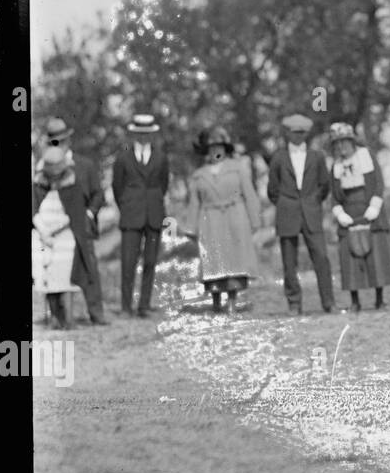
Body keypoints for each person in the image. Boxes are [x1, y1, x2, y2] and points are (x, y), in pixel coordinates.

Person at [35, 120, 109, 324]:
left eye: (61, 140)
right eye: (54, 141)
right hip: (55, 227)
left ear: (68, 140)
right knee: (55, 269)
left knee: (88, 267)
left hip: (81, 224)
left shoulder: (84, 165)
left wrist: (89, 214)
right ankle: (59, 317)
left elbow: (98, 194)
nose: (58, 144)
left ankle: (96, 314)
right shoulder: (44, 166)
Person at [181, 127, 262, 312]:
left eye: (219, 148)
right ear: (205, 151)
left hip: (235, 216)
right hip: (210, 220)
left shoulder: (238, 169)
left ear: (226, 149)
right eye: (211, 148)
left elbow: (249, 194)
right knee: (214, 260)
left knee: (235, 261)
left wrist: (255, 220)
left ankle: (232, 301)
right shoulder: (199, 175)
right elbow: (194, 203)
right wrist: (190, 227)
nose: (216, 152)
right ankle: (216, 300)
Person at [267, 113, 336, 314]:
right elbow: (272, 189)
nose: (298, 136)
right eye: (294, 132)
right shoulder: (278, 157)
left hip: (312, 213)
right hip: (287, 213)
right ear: (287, 133)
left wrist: (313, 201)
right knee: (289, 263)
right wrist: (284, 203)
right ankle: (294, 303)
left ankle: (328, 302)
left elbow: (324, 185)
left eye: (302, 133)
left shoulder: (317, 156)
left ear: (307, 134)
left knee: (321, 257)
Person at [328, 123, 390, 312]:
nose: (341, 147)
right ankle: (355, 301)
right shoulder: (335, 166)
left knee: (375, 256)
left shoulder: (366, 156)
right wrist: (340, 213)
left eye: (344, 142)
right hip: (349, 213)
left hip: (369, 211)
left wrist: (374, 206)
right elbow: (334, 195)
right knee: (349, 259)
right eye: (337, 144)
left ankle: (379, 298)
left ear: (352, 141)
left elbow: (378, 183)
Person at [111, 112, 171, 318]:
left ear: (152, 135)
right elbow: (117, 186)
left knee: (150, 261)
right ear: (134, 135)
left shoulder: (161, 156)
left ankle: (144, 305)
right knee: (128, 262)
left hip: (153, 214)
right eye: (140, 134)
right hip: (131, 215)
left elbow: (163, 185)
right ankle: (126, 307)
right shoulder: (123, 156)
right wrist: (128, 204)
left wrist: (152, 203)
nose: (143, 137)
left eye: (147, 134)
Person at [32, 146, 84, 328]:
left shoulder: (72, 183)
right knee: (48, 277)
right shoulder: (38, 184)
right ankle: (54, 318)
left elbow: (74, 212)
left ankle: (68, 319)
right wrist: (44, 232)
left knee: (64, 277)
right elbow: (33, 210)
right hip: (41, 236)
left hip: (64, 236)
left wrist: (55, 230)